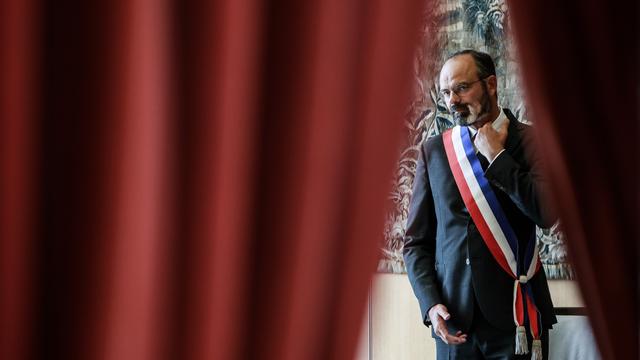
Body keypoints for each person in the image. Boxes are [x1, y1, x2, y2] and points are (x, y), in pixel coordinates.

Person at [403, 49, 557, 359]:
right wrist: (430, 305)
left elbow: (545, 213)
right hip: (454, 324)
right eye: (446, 92)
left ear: (491, 85)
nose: (452, 100)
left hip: (517, 321)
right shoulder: (434, 151)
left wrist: (498, 158)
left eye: (461, 88)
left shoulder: (534, 142)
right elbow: (415, 243)